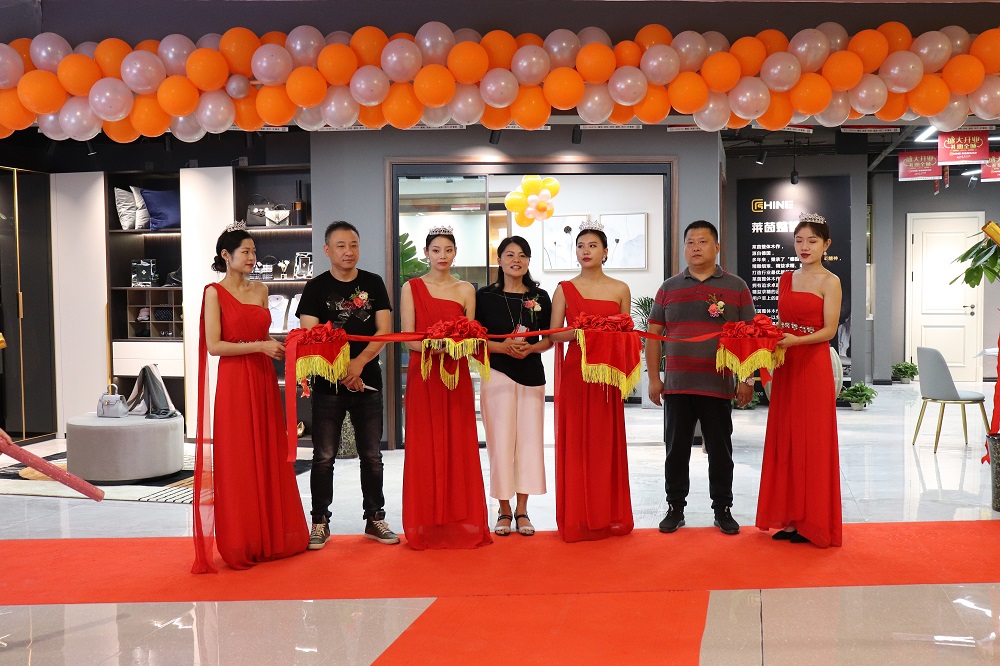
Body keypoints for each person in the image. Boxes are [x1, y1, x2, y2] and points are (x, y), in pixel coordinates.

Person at [192, 224, 308, 573]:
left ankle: (273, 537)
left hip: (262, 377)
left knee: (270, 452)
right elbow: (215, 346)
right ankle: (244, 540)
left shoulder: (261, 289)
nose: (252, 257)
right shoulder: (213, 293)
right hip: (235, 382)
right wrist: (260, 345)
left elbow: (261, 334)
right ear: (225, 256)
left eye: (254, 252)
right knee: (240, 456)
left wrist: (280, 345)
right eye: (245, 251)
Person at [646, 220, 755, 536]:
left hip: (718, 385)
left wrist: (746, 380)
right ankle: (675, 508)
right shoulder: (669, 288)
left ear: (716, 247)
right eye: (690, 242)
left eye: (703, 241)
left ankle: (723, 509)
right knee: (675, 451)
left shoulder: (735, 287)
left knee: (721, 452)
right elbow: (653, 335)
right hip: (678, 385)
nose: (695, 247)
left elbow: (750, 337)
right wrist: (654, 378)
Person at [295, 221, 399, 549]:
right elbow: (311, 335)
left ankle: (375, 518)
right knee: (323, 456)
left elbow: (384, 330)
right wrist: (342, 369)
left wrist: (359, 363)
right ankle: (320, 522)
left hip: (367, 380)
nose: (348, 251)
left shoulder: (374, 282)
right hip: (328, 383)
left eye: (353, 244)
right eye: (340, 245)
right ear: (327, 250)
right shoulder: (315, 287)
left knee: (372, 455)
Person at [399, 225, 492, 550]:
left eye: (448, 250)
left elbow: (472, 337)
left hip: (455, 376)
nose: (442, 256)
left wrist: (455, 345)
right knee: (425, 446)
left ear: (455, 253)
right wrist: (433, 346)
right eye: (436, 250)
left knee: (458, 443)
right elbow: (409, 338)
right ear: (426, 253)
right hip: (424, 374)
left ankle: (458, 520)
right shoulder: (411, 288)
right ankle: (426, 522)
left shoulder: (466, 289)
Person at [756, 213, 843, 548]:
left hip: (813, 363)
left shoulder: (830, 281)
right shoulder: (786, 278)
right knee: (788, 438)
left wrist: (796, 341)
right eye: (799, 241)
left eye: (812, 241)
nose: (805, 247)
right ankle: (792, 519)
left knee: (812, 440)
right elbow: (783, 321)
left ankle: (813, 521)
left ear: (826, 244)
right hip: (786, 363)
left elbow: (829, 330)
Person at [549, 221, 634, 543]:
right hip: (577, 372)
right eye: (581, 246)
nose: (586, 251)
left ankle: (606, 514)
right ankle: (579, 517)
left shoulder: (620, 288)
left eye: (593, 246)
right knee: (577, 443)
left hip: (606, 376)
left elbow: (626, 334)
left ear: (606, 252)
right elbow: (554, 334)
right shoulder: (564, 289)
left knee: (604, 442)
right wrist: (581, 331)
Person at [475, 236, 552, 537]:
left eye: (522, 255)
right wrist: (502, 347)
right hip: (497, 374)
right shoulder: (484, 296)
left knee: (529, 444)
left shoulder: (540, 296)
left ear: (529, 261)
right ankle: (504, 509)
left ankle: (522, 510)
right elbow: (474, 340)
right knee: (501, 444)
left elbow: (549, 337)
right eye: (509, 255)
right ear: (499, 260)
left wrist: (531, 348)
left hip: (532, 375)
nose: (515, 260)